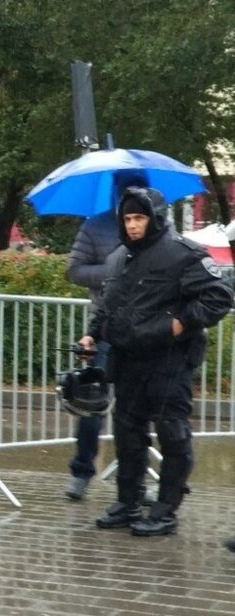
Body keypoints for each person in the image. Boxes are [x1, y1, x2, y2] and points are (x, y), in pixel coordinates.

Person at [83, 186, 233, 536]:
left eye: (139, 218)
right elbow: (109, 304)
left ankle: (165, 509)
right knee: (128, 434)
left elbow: (218, 297)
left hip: (170, 360)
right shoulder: (119, 257)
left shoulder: (183, 254)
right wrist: (92, 334)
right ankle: (128, 500)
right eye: (128, 218)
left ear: (154, 218)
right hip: (128, 359)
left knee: (172, 434)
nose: (133, 225)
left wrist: (180, 323)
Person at [63, 172, 146, 500]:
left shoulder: (156, 229)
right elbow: (75, 270)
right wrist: (114, 273)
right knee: (92, 402)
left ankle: (133, 480)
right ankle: (82, 469)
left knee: (137, 408)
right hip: (105, 327)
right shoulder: (95, 226)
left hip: (144, 329)